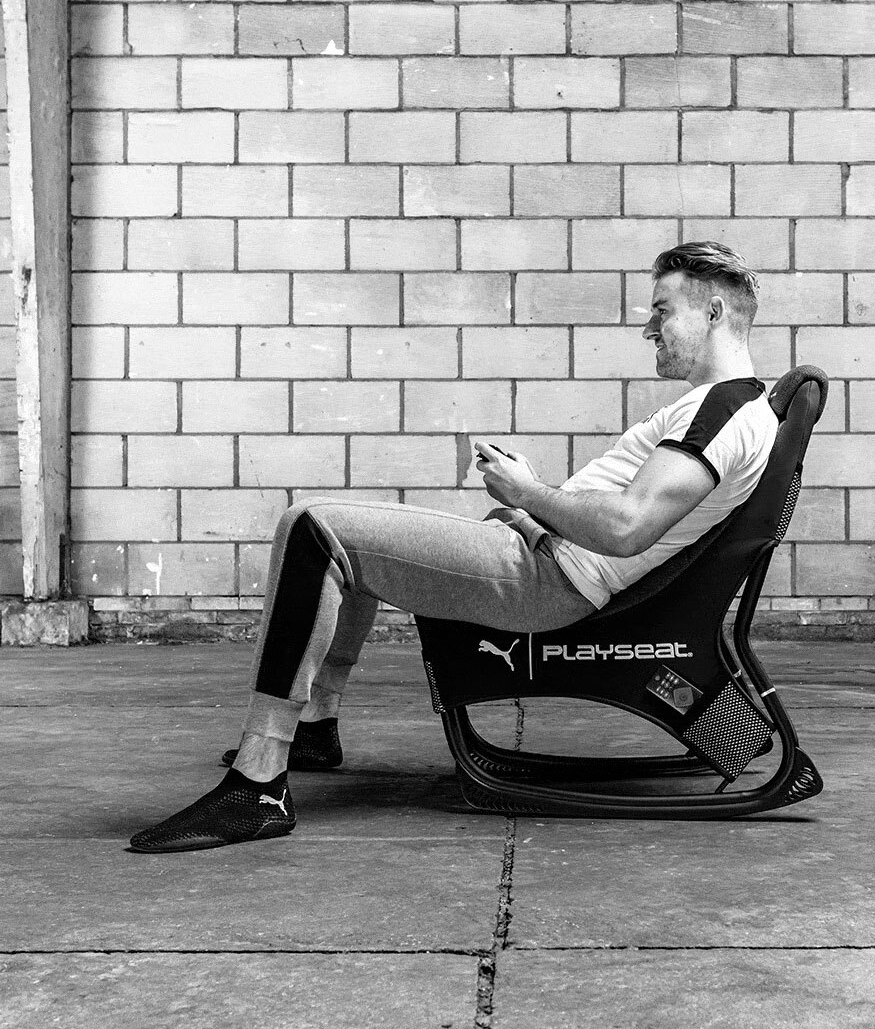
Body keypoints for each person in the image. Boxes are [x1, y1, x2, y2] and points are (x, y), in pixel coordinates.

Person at [129, 241, 779, 853]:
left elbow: (626, 527)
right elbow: (623, 522)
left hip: (545, 580)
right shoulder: (728, 408)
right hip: (541, 552)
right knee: (348, 541)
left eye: (662, 311)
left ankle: (258, 784)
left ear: (713, 311)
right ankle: (313, 728)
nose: (649, 329)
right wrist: (531, 508)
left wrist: (528, 492)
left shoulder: (724, 410)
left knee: (312, 528)